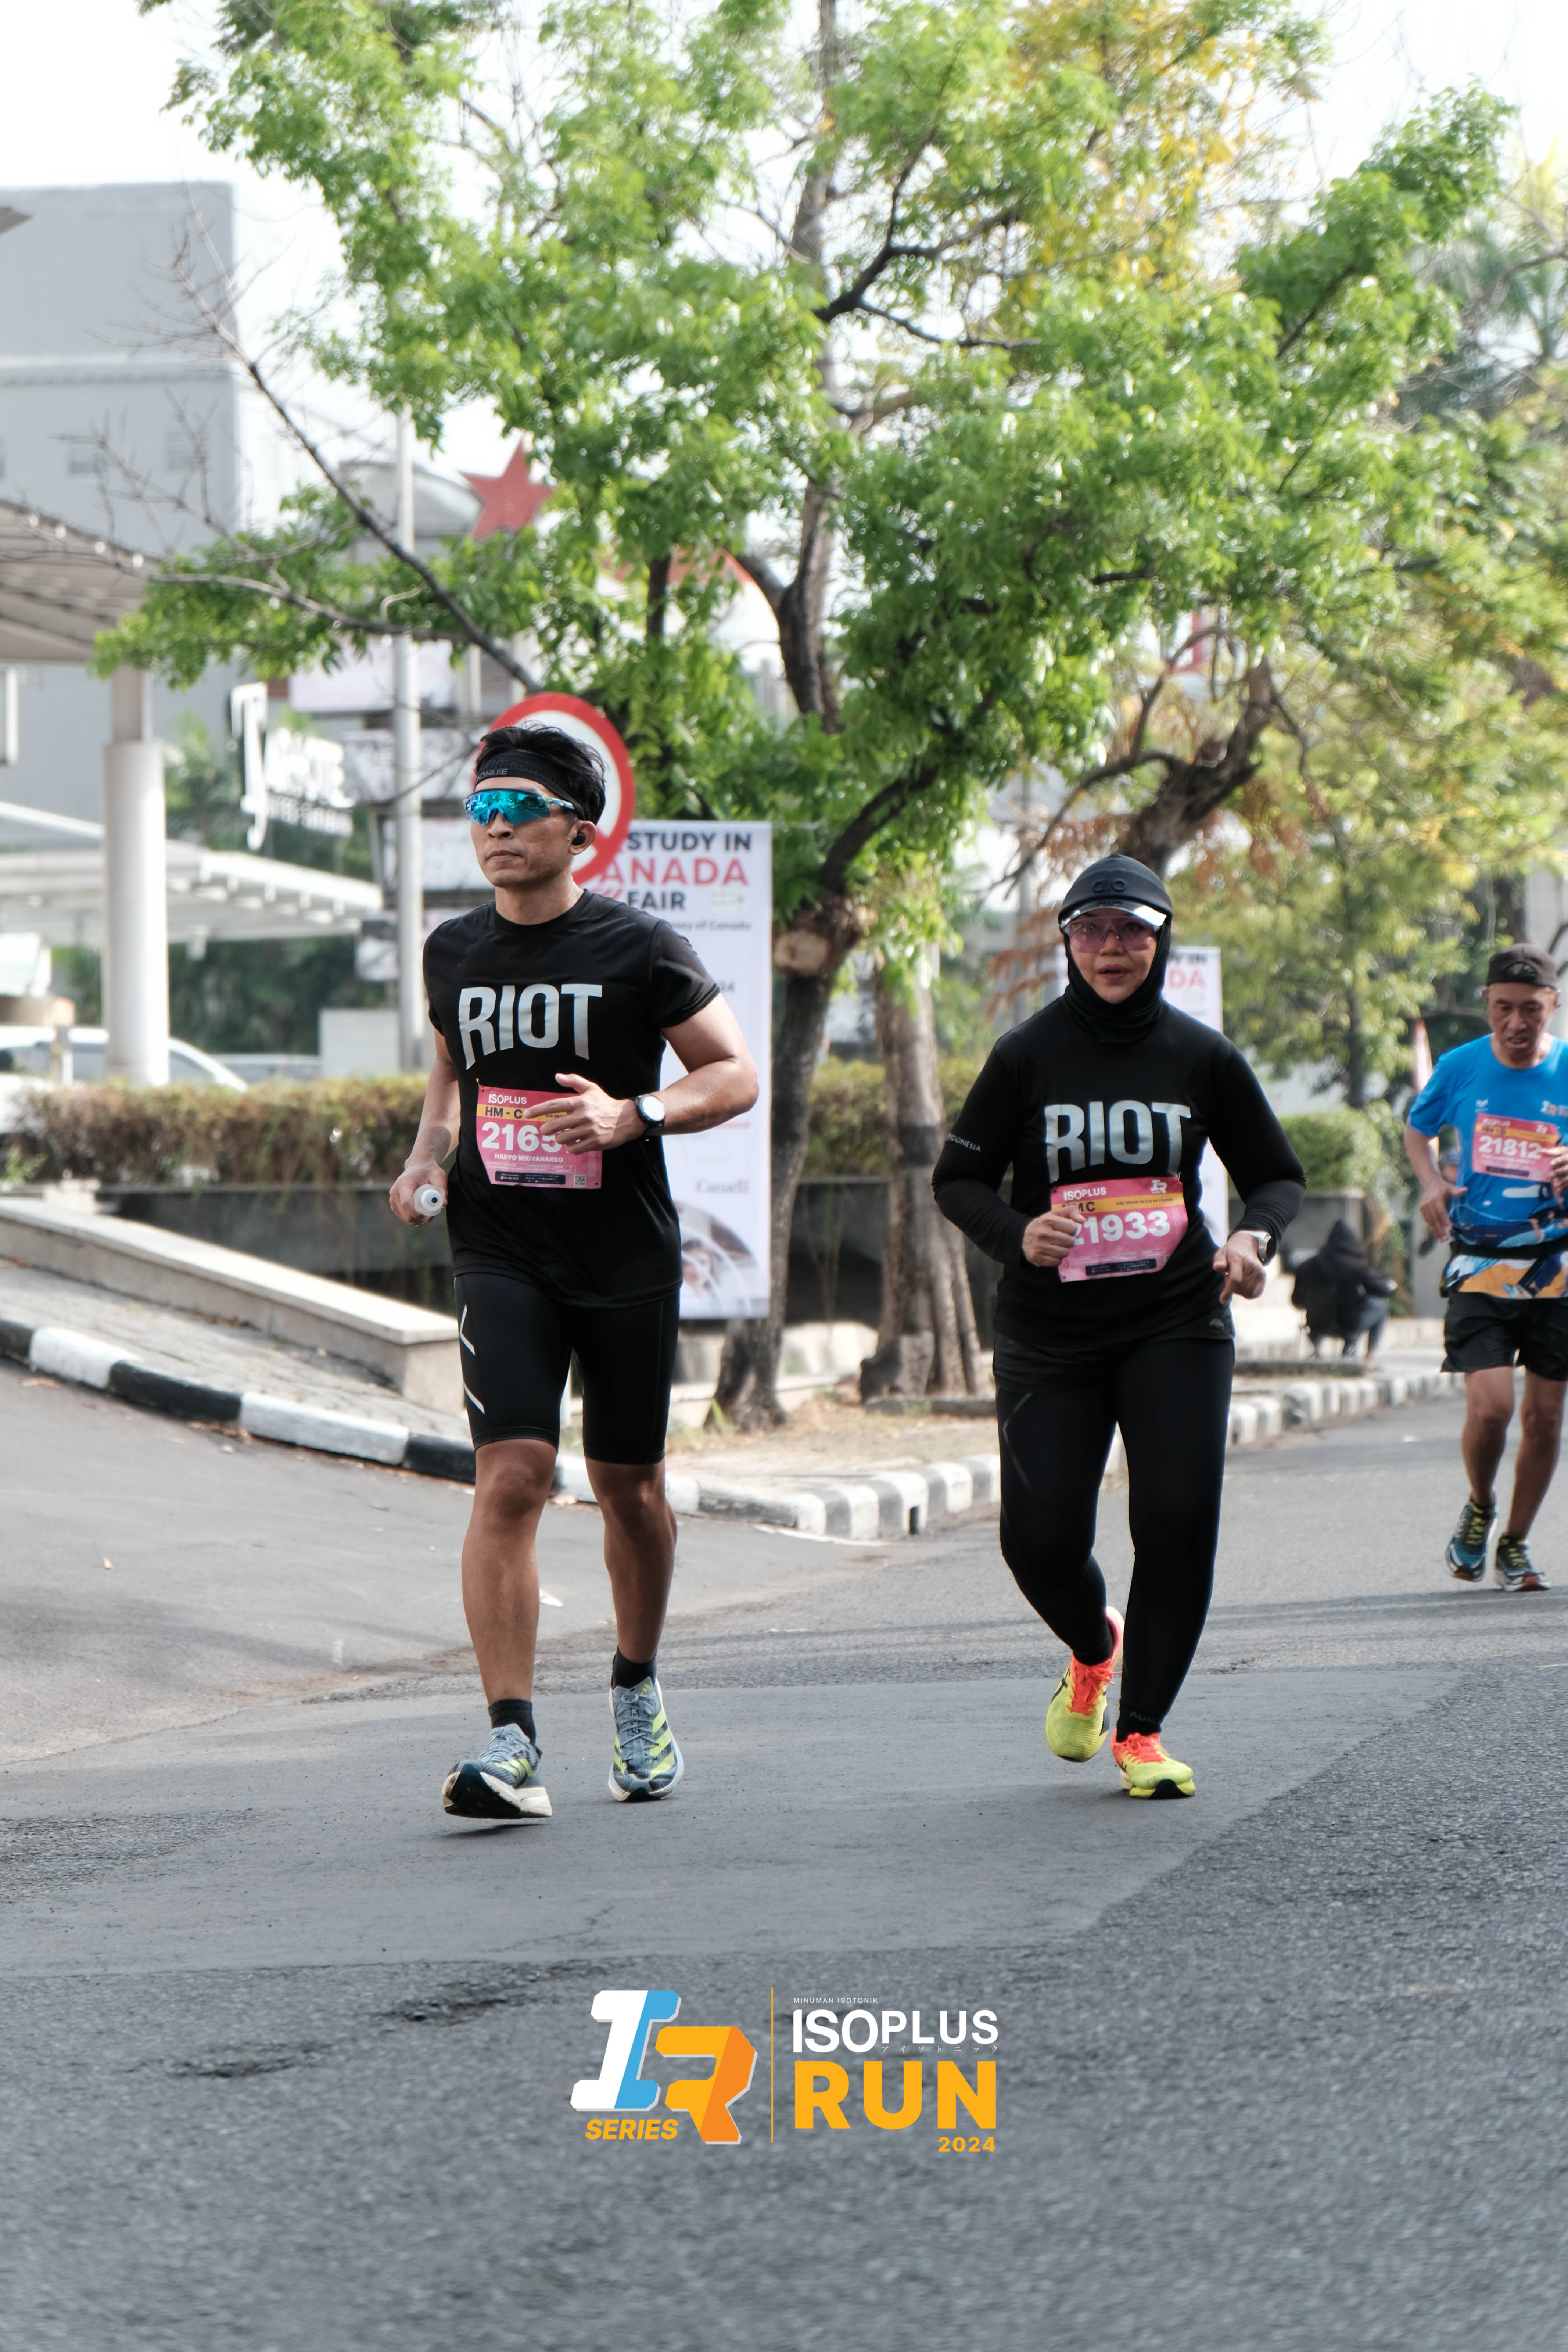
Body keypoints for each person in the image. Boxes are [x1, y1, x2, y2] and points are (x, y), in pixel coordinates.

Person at [389, 723, 758, 1820]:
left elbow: (733, 1073)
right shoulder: (452, 952)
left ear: (578, 831)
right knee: (510, 1475)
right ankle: (511, 1740)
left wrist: (634, 1112)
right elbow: (450, 1071)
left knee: (628, 1491)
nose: (496, 829)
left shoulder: (640, 948)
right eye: (482, 809)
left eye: (519, 809)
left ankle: (636, 1690)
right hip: (501, 1246)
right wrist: (426, 1156)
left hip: (623, 1255)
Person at [932, 853, 1304, 1799]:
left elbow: (1274, 1172)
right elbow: (957, 1179)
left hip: (1176, 1318)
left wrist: (1253, 1235)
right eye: (1091, 930)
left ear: (1159, 940)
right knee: (1040, 1541)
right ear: (1066, 941)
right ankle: (1095, 1647)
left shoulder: (1201, 1055)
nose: (1111, 948)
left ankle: (1141, 1730)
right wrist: (1018, 1232)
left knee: (1176, 1521)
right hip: (1049, 1331)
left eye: (1131, 930)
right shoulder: (1024, 1055)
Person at [1404, 944, 1568, 1593]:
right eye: (1502, 1008)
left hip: (1556, 1266)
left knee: (1544, 1419)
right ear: (1485, 1004)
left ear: (1552, 1004)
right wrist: (1428, 1184)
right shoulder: (1459, 1066)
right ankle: (1479, 1505)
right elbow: (1418, 1130)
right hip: (1479, 1261)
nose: (1515, 1023)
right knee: (1493, 1407)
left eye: (1530, 1009)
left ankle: (1515, 1544)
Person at [1292, 1219, 1395, 1361]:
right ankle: (1369, 1357)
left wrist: (1315, 1305)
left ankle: (1317, 1350)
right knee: (1382, 1306)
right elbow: (1382, 1290)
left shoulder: (1307, 1266)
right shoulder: (1354, 1266)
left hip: (1316, 1324)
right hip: (1348, 1324)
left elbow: (1296, 1300)